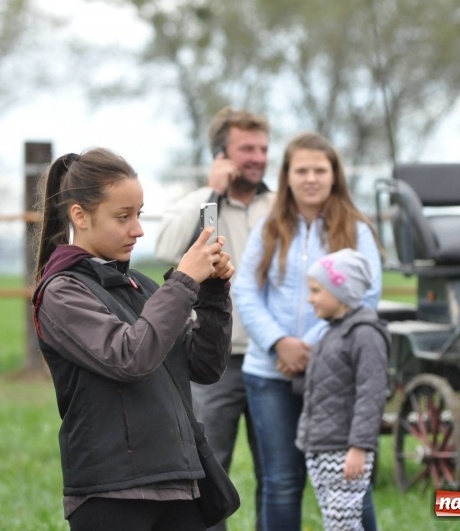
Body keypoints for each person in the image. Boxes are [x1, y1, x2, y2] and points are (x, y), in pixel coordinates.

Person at [31, 148, 236, 531]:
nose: (138, 229)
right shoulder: (62, 292)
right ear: (80, 215)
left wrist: (212, 293)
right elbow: (129, 357)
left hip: (179, 483)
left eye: (139, 214)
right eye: (122, 217)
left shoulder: (141, 286)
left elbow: (204, 366)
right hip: (112, 494)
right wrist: (183, 282)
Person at [232, 132, 383, 531]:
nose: (311, 178)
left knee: (350, 479)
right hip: (271, 372)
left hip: (336, 377)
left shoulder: (356, 230)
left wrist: (313, 348)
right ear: (287, 176)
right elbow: (245, 288)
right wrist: (279, 343)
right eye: (302, 170)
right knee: (281, 481)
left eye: (320, 169)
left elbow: (367, 296)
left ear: (335, 175)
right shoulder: (269, 228)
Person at [155, 106, 272, 531]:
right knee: (207, 470)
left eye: (262, 148)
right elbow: (166, 248)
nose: (257, 157)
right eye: (247, 149)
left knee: (276, 475)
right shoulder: (201, 204)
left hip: (270, 360)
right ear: (222, 154)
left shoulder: (277, 206)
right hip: (211, 364)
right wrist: (210, 190)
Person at [297, 249, 389, 531]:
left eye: (316, 290)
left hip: (344, 451)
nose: (310, 298)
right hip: (322, 447)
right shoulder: (333, 331)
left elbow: (370, 395)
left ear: (342, 291)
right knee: (335, 522)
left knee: (343, 525)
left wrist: (359, 447)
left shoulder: (364, 334)